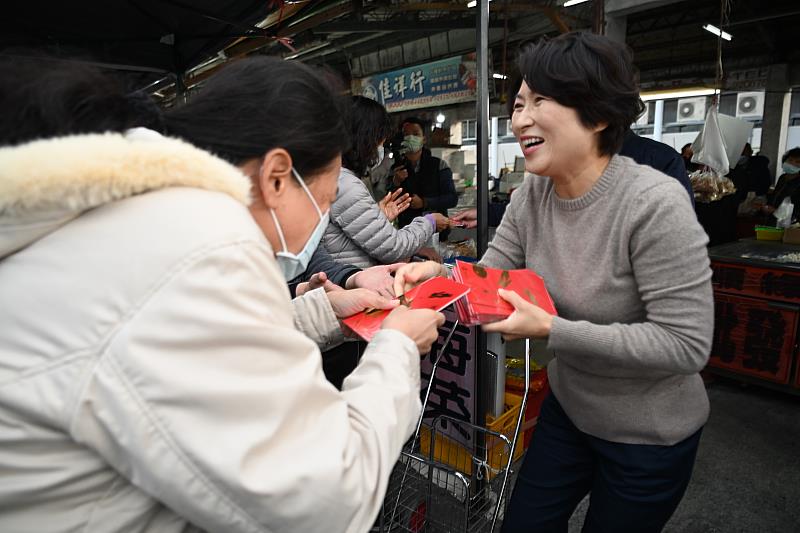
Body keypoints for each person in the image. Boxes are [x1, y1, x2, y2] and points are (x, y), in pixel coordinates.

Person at [0, 56, 445, 533]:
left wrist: (325, 310)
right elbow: (325, 498)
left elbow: (172, 355)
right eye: (325, 197)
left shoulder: (143, 216)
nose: (322, 216)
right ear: (277, 177)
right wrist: (396, 347)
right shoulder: (203, 246)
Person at [394, 32, 713, 533]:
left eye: (541, 101)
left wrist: (553, 330)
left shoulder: (654, 203)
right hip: (572, 408)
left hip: (649, 432)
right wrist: (433, 274)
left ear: (599, 115)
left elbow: (686, 346)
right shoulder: (533, 193)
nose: (521, 119)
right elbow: (490, 277)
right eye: (519, 103)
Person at [323, 96, 450, 269]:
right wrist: (430, 222)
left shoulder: (438, 164)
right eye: (380, 140)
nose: (381, 147)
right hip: (355, 282)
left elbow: (348, 236)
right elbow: (393, 247)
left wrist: (376, 216)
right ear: (366, 138)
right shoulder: (347, 185)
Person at [391, 116, 458, 233]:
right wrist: (395, 183)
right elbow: (389, 202)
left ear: (424, 139)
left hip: (436, 232)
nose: (411, 137)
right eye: (406, 134)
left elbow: (452, 199)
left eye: (416, 134)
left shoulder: (439, 165)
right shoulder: (396, 169)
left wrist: (424, 202)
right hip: (407, 235)